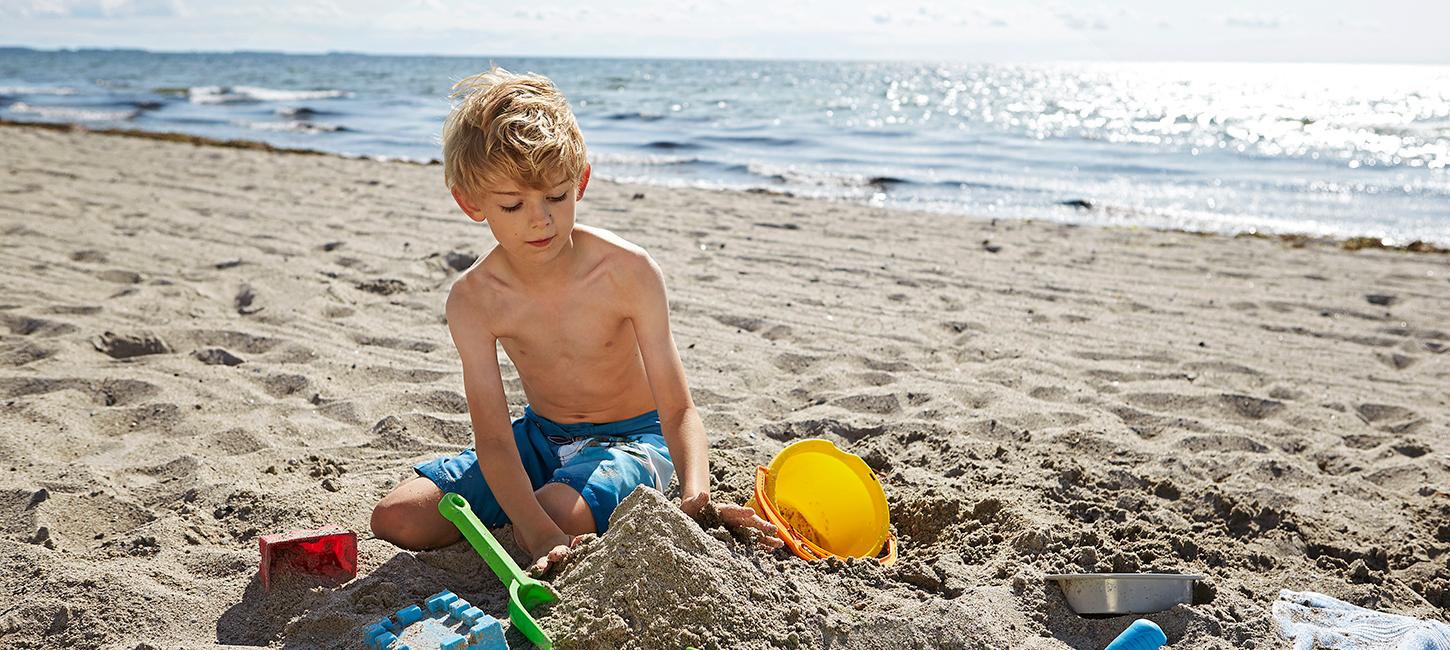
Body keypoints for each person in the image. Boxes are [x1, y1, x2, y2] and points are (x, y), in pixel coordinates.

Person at [369, 67, 780, 573]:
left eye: (556, 197)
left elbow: (678, 410)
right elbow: (495, 440)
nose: (540, 219)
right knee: (397, 519)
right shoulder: (474, 300)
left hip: (635, 438)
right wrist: (537, 534)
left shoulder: (628, 271)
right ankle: (538, 506)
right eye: (513, 204)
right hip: (540, 437)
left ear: (580, 180)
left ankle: (550, 505)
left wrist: (696, 497)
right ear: (471, 203)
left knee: (550, 508)